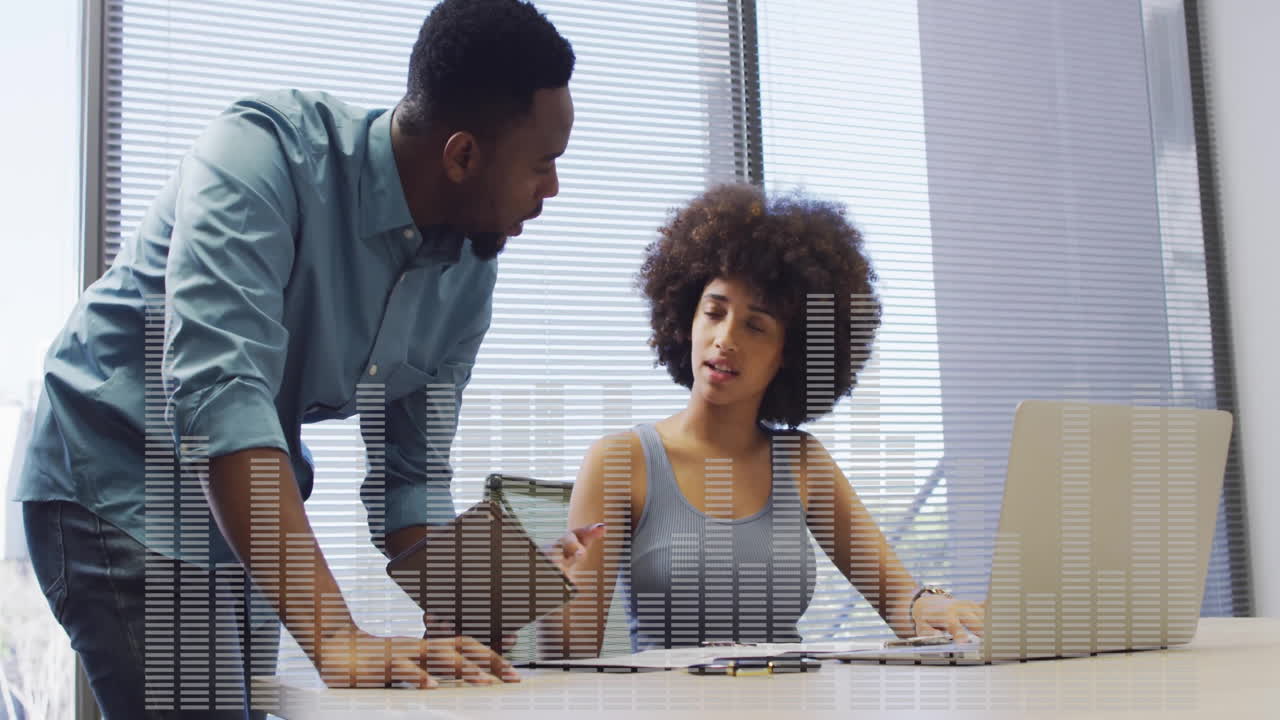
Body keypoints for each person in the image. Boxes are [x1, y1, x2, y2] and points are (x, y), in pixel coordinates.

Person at [15, 1, 603, 717]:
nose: (553, 192)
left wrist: (490, 600)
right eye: (543, 165)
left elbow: (410, 478)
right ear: (462, 155)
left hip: (241, 505)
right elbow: (219, 397)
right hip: (115, 473)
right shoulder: (260, 154)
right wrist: (333, 633)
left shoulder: (468, 269)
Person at [539, 184, 985, 658]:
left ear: (788, 355)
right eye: (713, 312)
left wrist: (934, 608)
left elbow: (897, 596)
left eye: (755, 326)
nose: (724, 338)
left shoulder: (802, 461)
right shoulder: (620, 460)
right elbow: (572, 660)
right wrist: (551, 596)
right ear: (685, 319)